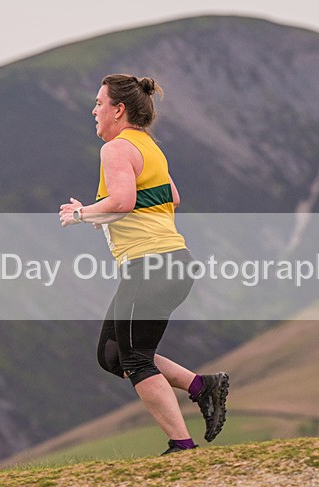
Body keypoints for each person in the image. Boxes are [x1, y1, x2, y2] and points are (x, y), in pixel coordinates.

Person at [59, 74, 229, 455]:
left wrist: (82, 213)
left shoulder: (117, 149)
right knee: (112, 355)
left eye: (99, 103)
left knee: (134, 358)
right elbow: (173, 195)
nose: (94, 110)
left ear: (118, 110)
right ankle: (204, 387)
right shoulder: (148, 147)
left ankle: (182, 445)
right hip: (168, 264)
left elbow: (121, 201)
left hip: (152, 265)